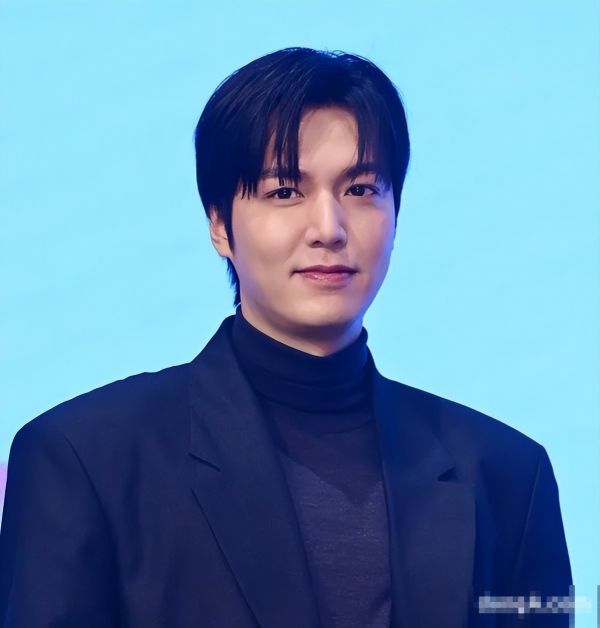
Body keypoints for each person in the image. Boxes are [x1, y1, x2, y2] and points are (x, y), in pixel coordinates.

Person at [0, 47, 572, 628]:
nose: (328, 228)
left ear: (396, 211)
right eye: (284, 192)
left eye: (361, 189)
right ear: (219, 225)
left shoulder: (507, 475)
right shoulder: (82, 460)